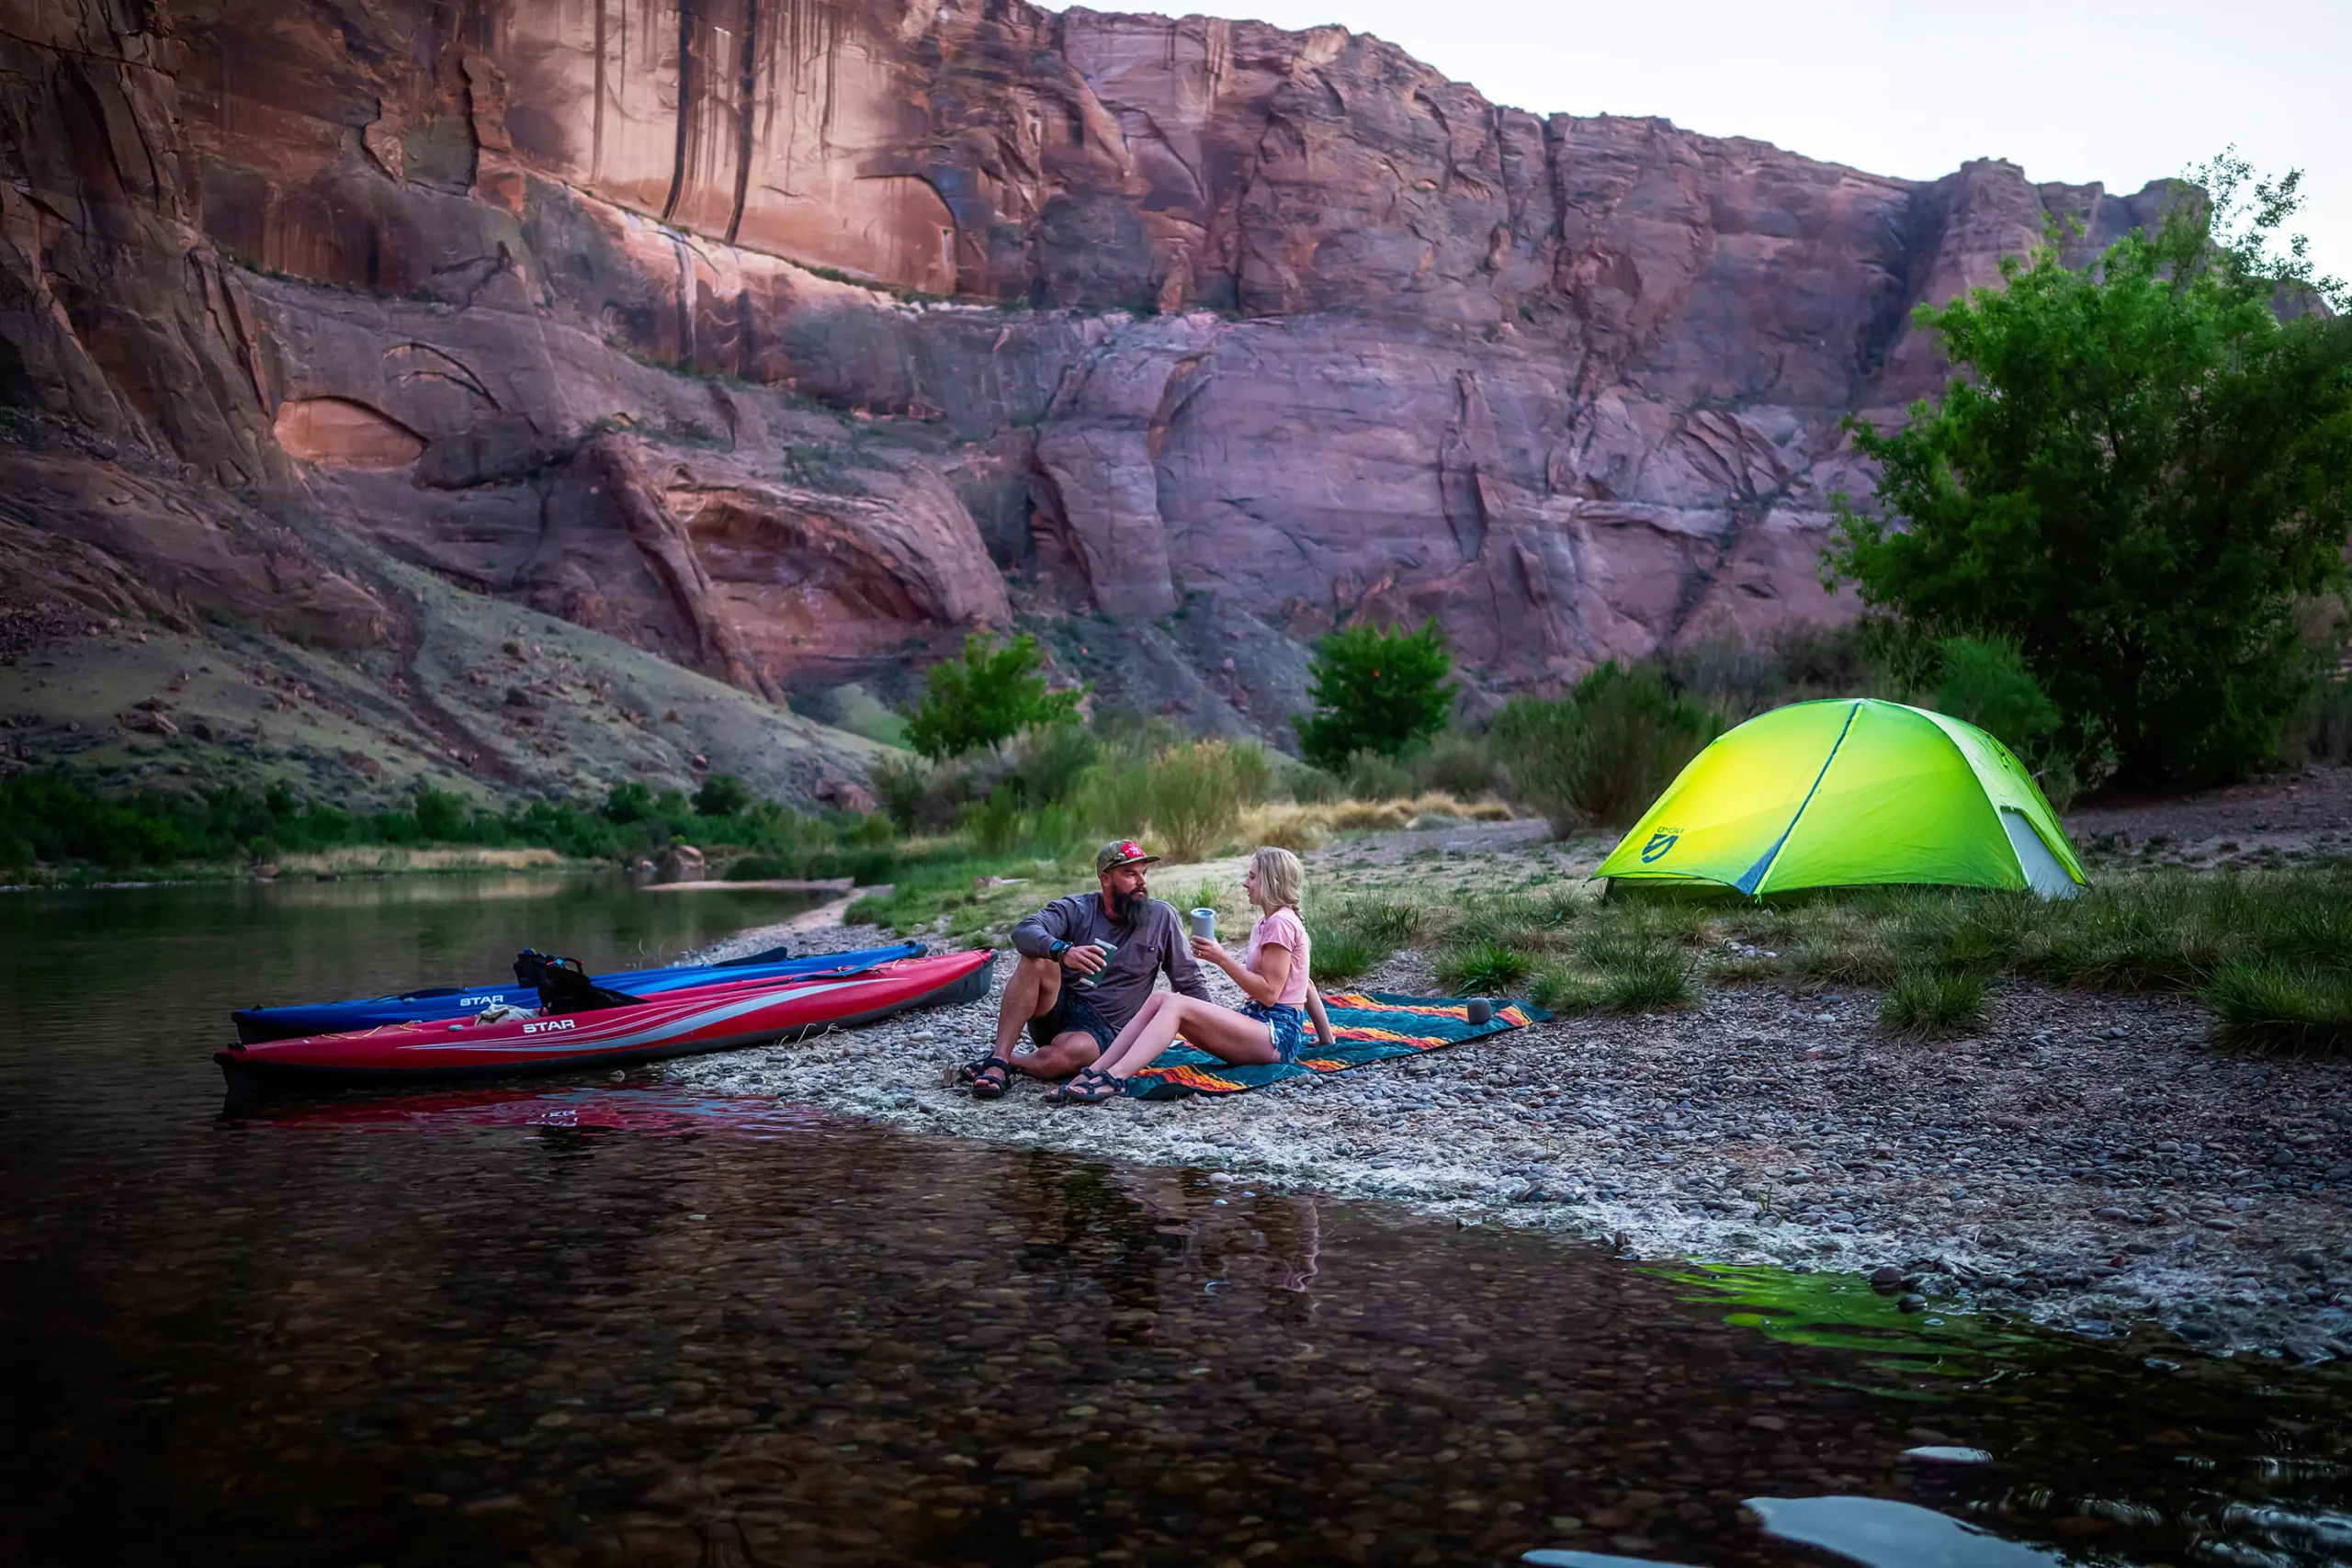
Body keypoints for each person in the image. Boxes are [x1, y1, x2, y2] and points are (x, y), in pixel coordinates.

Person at [1054, 845, 1334, 1103]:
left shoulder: (1281, 924)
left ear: (1271, 881)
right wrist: (1326, 1039)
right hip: (1262, 1028)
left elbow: (1270, 994)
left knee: (1176, 1002)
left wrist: (1221, 959)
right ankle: (1092, 1072)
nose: (1245, 883)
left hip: (1276, 1036)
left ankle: (1116, 1078)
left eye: (1252, 876)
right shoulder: (1267, 923)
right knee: (1160, 998)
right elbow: (1304, 983)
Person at [960, 839, 1211, 1099]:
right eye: (1129, 874)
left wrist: (1216, 1032)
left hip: (1104, 1030)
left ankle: (1007, 1060)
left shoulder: (1162, 918)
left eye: (1143, 873)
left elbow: (1189, 981)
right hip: (1057, 1007)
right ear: (1105, 879)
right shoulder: (1077, 909)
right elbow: (1024, 932)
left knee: (1064, 1058)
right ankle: (999, 1061)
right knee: (1034, 958)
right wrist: (1063, 951)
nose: (1141, 882)